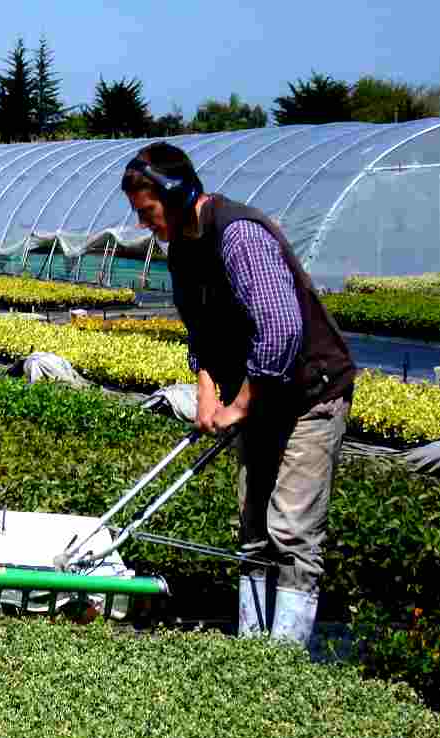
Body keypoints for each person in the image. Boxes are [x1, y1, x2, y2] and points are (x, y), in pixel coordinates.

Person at [121, 142, 355, 647]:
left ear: (177, 194)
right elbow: (201, 333)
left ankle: (285, 660)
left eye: (147, 212)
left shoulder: (238, 236)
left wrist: (241, 406)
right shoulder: (182, 249)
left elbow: (280, 331)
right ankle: (251, 650)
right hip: (262, 392)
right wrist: (208, 395)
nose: (143, 224)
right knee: (252, 527)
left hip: (308, 394)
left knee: (290, 529)